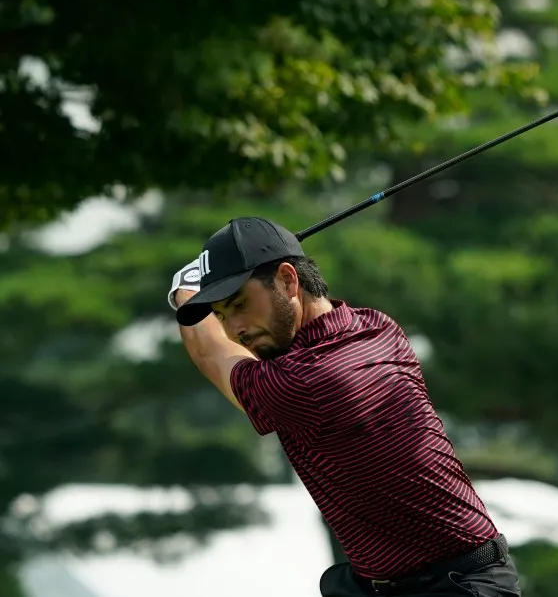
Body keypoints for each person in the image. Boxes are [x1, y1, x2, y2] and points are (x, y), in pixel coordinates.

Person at [167, 216, 522, 597]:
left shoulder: (305, 383)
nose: (234, 328)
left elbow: (211, 354)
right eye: (220, 315)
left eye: (239, 304)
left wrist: (184, 292)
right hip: (401, 582)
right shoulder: (377, 327)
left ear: (289, 280)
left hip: (456, 588)